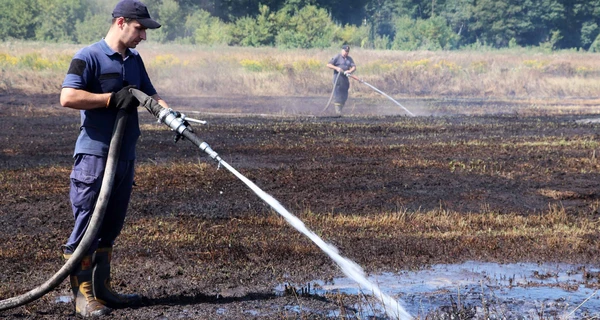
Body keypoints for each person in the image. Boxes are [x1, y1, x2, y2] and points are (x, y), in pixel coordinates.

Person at [59, 0, 168, 317]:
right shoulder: (88, 56)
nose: (143, 36)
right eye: (140, 29)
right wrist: (109, 99)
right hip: (94, 155)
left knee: (111, 225)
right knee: (87, 224)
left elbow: (150, 94)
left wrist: (171, 115)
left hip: (125, 154)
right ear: (121, 22)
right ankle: (83, 297)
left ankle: (102, 290)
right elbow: (68, 96)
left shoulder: (134, 61)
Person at [326, 45, 356, 115]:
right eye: (345, 51)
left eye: (347, 52)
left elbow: (354, 67)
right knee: (338, 94)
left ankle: (340, 110)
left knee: (344, 95)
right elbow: (328, 65)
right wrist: (336, 68)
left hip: (345, 79)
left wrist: (350, 71)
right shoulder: (337, 57)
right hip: (338, 78)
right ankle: (338, 111)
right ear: (342, 50)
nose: (346, 53)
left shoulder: (349, 59)